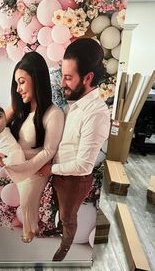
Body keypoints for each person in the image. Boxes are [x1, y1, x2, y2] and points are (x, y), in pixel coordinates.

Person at [38, 38, 110, 261]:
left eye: (68, 78)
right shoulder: (75, 104)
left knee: (69, 216)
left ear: (88, 78)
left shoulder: (95, 114)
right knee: (59, 209)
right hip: (60, 173)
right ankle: (60, 230)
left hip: (74, 179)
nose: (62, 84)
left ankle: (65, 246)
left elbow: (83, 165)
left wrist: (51, 169)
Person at [0, 51, 64, 244]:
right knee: (23, 196)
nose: (18, 88)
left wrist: (24, 170)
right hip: (19, 166)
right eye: (16, 83)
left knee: (28, 198)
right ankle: (29, 227)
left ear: (37, 79)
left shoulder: (53, 114)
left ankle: (30, 231)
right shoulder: (21, 109)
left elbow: (49, 151)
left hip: (37, 169)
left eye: (22, 82)